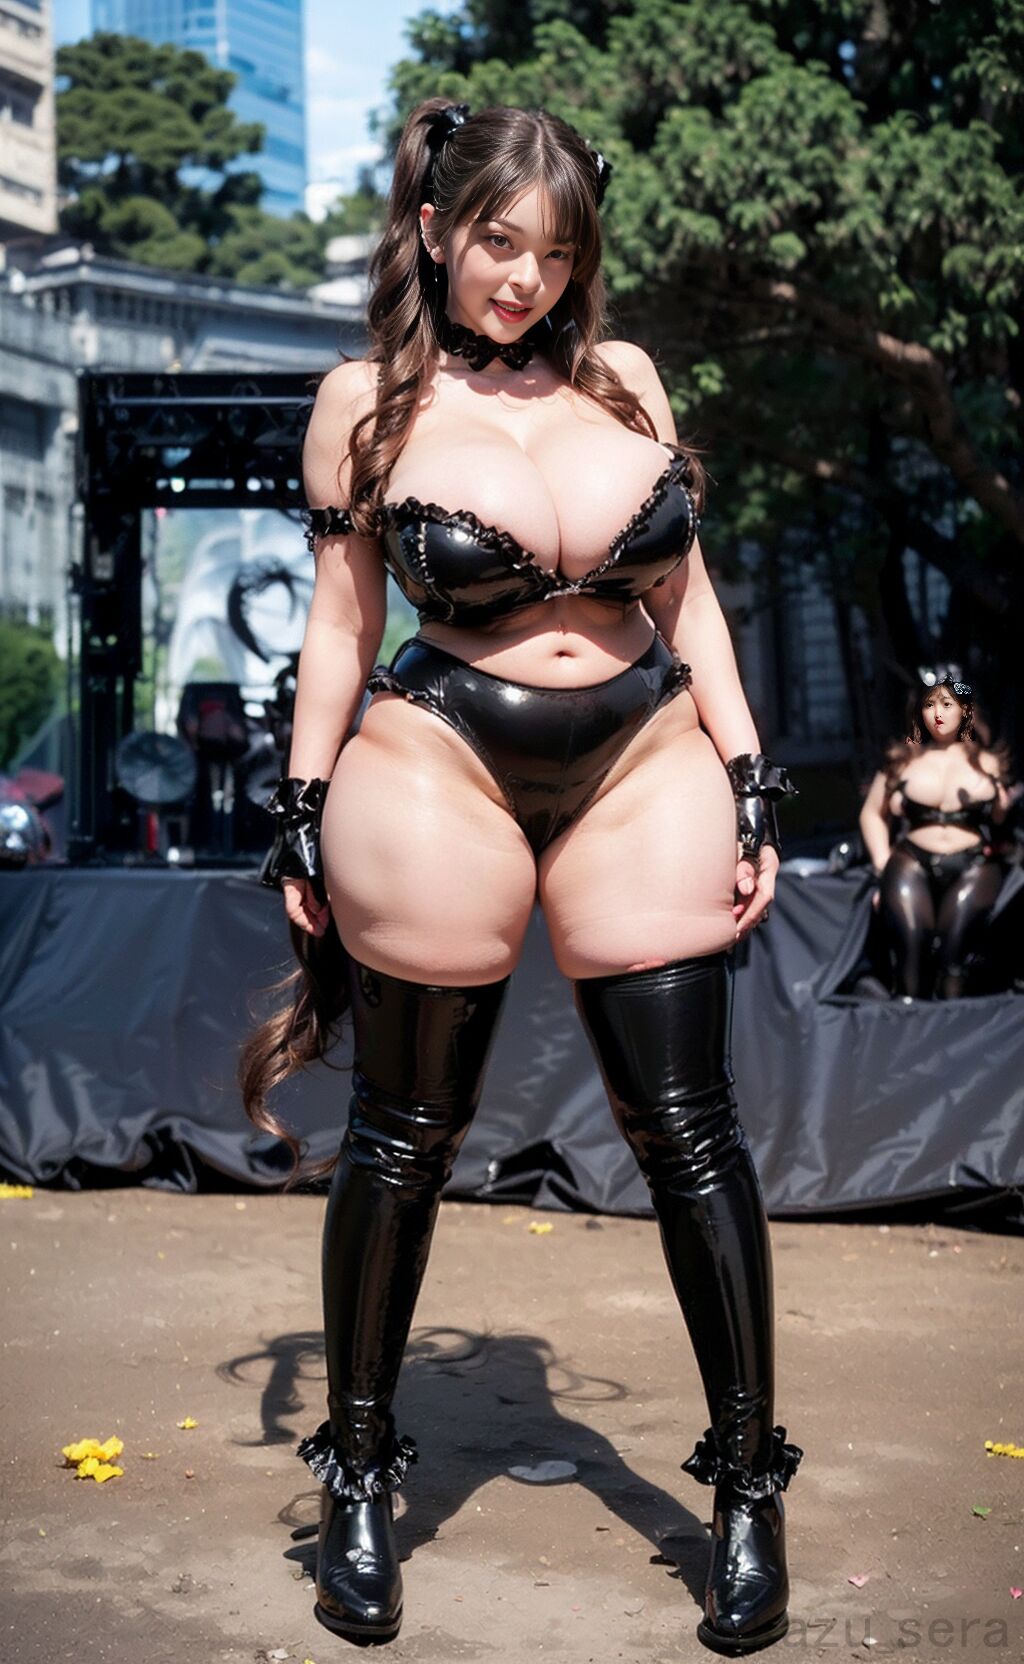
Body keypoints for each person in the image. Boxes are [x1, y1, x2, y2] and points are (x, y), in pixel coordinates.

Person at [240, 98, 803, 1656]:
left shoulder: (627, 380)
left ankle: (748, 1491)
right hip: (439, 759)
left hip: (648, 756)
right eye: (499, 243)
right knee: (404, 1135)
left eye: (555, 253)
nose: (524, 281)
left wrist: (752, 776)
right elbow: (342, 626)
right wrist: (299, 811)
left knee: (691, 1131)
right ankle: (360, 1479)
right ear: (435, 228)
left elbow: (692, 602)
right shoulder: (364, 400)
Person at [858, 671, 1013, 999]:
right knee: (910, 953)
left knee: (953, 957)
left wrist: (1001, 806)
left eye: (947, 704)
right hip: (910, 861)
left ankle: (952, 1024)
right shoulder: (903, 760)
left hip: (973, 863)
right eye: (929, 705)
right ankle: (909, 1022)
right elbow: (872, 813)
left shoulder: (989, 762)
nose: (937, 714)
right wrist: (882, 863)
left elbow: (1002, 821)